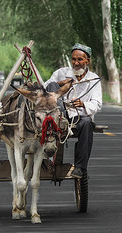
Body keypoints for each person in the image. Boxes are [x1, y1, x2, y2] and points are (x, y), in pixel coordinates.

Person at [43, 43, 102, 179]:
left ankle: (80, 168)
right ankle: (45, 154)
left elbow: (97, 104)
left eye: (80, 60)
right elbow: (45, 88)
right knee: (51, 87)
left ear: (87, 61)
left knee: (87, 123)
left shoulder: (94, 79)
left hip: (79, 117)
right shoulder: (61, 73)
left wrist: (83, 104)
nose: (76, 63)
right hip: (59, 114)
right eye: (74, 59)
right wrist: (59, 84)